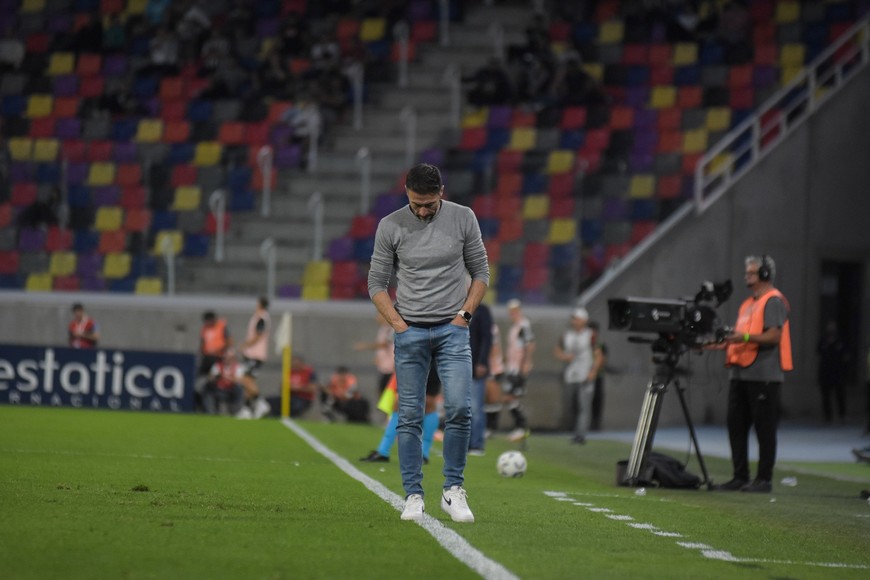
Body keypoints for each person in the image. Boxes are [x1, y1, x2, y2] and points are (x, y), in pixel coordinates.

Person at [367, 162, 489, 523]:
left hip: (453, 330)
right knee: (408, 416)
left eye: (429, 205)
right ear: (407, 193)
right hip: (410, 332)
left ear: (442, 193)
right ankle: (413, 496)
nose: (422, 211)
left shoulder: (463, 217)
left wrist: (464, 316)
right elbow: (376, 283)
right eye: (416, 204)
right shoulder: (390, 225)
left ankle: (453, 490)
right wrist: (398, 325)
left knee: (460, 409)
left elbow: (481, 272)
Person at [714, 255, 793, 493]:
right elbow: (739, 337)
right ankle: (740, 476)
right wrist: (713, 344)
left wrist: (745, 337)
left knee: (764, 430)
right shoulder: (747, 304)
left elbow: (774, 336)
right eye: (746, 272)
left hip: (763, 376)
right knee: (736, 427)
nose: (746, 276)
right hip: (740, 374)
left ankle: (764, 479)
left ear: (765, 274)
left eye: (751, 272)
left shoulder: (773, 300)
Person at [361, 365, 442, 464]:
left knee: (427, 403)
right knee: (400, 403)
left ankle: (423, 453)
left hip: (425, 362)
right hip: (414, 362)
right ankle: (383, 451)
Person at [554, 307, 603, 444]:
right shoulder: (567, 335)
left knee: (584, 405)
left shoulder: (590, 335)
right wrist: (564, 356)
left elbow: (598, 355)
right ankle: (573, 430)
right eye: (574, 319)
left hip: (585, 374)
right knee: (570, 405)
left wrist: (593, 371)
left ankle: (580, 435)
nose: (575, 321)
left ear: (584, 320)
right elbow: (557, 350)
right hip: (571, 375)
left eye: (577, 319)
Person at [504, 299, 536, 443]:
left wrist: (527, 362)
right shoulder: (515, 327)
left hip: (518, 367)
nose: (513, 314)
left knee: (512, 397)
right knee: (510, 397)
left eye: (515, 311)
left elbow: (530, 344)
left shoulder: (524, 326)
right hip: (512, 367)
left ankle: (522, 427)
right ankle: (520, 427)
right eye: (511, 311)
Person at [238, 297, 271, 420]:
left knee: (246, 380)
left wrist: (245, 345)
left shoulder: (262, 318)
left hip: (255, 354)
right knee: (249, 381)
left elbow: (258, 336)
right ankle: (247, 409)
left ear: (260, 304)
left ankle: (261, 402)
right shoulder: (258, 317)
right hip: (252, 354)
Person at [468, 302, 494, 455]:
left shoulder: (481, 310)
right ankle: (465, 443)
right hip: (460, 366)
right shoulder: (459, 306)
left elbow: (487, 337)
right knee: (461, 407)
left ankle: (476, 443)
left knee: (476, 407)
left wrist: (482, 362)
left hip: (475, 365)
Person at [352, 312, 395, 399]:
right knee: (381, 393)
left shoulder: (390, 330)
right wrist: (378, 358)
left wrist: (365, 346)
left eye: (379, 316)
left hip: (391, 369)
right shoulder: (382, 329)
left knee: (389, 394)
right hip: (384, 368)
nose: (376, 318)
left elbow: (384, 344)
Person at [816, 319, 848, 425]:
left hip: (838, 372)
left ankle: (842, 415)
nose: (831, 328)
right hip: (825, 371)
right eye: (829, 326)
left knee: (840, 394)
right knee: (826, 395)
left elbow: (845, 354)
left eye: (833, 326)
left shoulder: (840, 340)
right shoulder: (823, 340)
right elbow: (818, 350)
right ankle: (827, 416)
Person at [202, 350, 246, 415]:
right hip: (218, 389)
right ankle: (210, 412)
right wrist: (218, 376)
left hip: (231, 391)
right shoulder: (217, 365)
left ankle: (236, 411)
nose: (226, 359)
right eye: (225, 357)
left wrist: (229, 378)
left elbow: (239, 380)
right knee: (207, 388)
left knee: (240, 389)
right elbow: (211, 377)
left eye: (229, 358)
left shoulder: (237, 367)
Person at [588, 321, 608, 431]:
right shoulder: (584, 344)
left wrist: (594, 369)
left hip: (597, 376)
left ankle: (595, 423)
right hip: (584, 376)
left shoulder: (600, 345)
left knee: (597, 400)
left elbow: (603, 360)